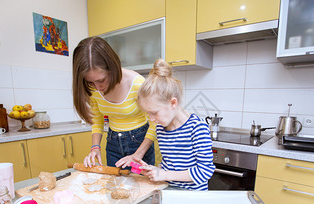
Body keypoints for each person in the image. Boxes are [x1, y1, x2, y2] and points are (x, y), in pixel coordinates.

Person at [72, 36, 156, 168]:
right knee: (116, 187)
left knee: (141, 187)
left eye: (101, 80)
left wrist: (139, 154)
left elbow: (155, 123)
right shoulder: (92, 89)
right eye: (90, 82)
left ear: (112, 67)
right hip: (113, 143)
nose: (97, 88)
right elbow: (97, 119)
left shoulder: (137, 84)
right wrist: (95, 147)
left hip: (140, 143)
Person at [135, 59, 215, 190]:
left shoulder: (197, 128)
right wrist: (155, 171)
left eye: (154, 112)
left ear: (173, 103)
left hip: (193, 197)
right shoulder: (160, 129)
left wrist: (164, 174)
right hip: (169, 191)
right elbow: (169, 166)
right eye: (148, 114)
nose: (151, 119)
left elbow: (205, 171)